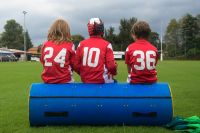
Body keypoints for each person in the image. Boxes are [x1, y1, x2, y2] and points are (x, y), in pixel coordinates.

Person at [74, 18, 117, 83]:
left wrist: (85, 75)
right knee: (114, 82)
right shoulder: (107, 45)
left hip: (86, 81)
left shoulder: (81, 44)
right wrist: (114, 72)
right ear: (101, 29)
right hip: (103, 82)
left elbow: (76, 66)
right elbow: (111, 67)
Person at [40, 19, 75, 83]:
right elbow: (73, 65)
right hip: (65, 81)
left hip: (48, 81)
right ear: (67, 31)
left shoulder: (45, 44)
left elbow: (43, 62)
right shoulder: (70, 45)